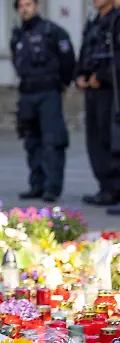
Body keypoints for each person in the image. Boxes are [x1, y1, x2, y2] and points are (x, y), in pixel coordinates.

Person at [12, 0, 76, 203]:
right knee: (31, 141)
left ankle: (52, 187)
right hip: (27, 93)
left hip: (49, 91)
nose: (25, 9)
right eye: (21, 6)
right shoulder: (18, 35)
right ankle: (36, 184)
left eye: (29, 4)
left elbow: (68, 61)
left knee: (52, 141)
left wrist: (62, 84)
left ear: (36, 6)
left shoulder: (52, 32)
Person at [79, 0, 120, 208]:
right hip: (91, 90)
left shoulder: (116, 20)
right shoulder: (93, 23)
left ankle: (115, 189)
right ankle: (105, 188)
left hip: (109, 91)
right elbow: (85, 51)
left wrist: (101, 76)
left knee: (110, 138)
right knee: (94, 140)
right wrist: (80, 75)